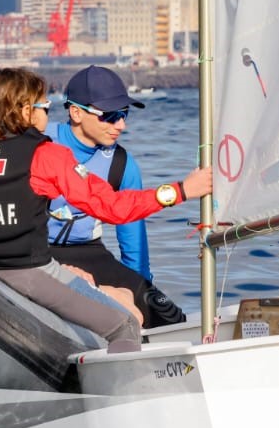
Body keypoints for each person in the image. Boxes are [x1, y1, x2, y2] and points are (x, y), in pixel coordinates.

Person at [0, 68, 211, 351]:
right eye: (45, 106)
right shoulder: (47, 155)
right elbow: (112, 207)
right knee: (125, 323)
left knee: (127, 296)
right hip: (32, 274)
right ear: (27, 111)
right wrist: (181, 190)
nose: (48, 113)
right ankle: (126, 394)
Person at [45, 66, 188, 327]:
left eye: (124, 114)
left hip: (89, 252)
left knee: (167, 316)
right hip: (40, 254)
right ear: (76, 112)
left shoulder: (122, 164)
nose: (121, 125)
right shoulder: (42, 142)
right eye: (110, 116)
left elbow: (132, 240)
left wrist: (141, 289)